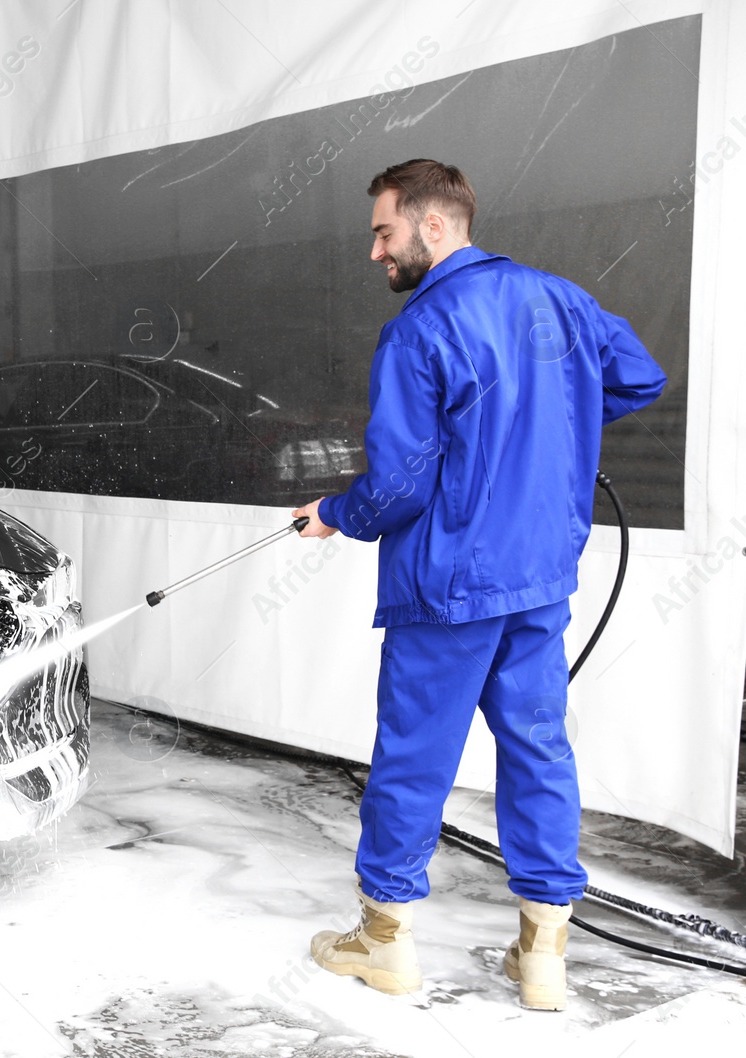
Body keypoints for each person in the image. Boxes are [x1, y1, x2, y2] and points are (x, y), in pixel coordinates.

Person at [291, 159, 667, 1010]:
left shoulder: (420, 330)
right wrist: (546, 416)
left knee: (415, 756)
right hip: (538, 578)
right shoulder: (563, 300)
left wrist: (334, 513)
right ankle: (543, 957)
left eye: (383, 234)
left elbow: (399, 487)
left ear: (434, 226)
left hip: (450, 585)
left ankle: (384, 941)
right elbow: (640, 376)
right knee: (538, 751)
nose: (375, 254)